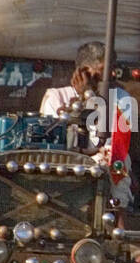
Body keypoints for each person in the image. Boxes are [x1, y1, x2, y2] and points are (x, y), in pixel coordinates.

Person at [40, 41, 134, 212]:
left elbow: (114, 142)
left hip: (101, 161)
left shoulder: (121, 97)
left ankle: (119, 219)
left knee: (119, 161)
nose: (111, 74)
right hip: (63, 161)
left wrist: (91, 98)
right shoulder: (56, 96)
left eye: (112, 69)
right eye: (103, 70)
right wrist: (85, 96)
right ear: (83, 72)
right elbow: (55, 139)